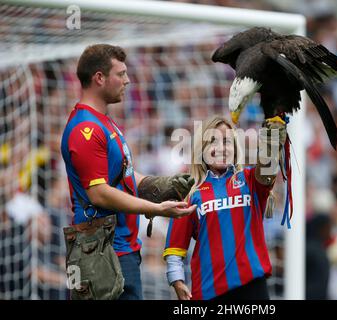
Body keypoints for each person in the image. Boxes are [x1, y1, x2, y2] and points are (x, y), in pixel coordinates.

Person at [60, 44, 196, 300]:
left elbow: (124, 178)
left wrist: (165, 185)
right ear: (99, 78)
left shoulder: (105, 122)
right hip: (102, 254)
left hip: (120, 250)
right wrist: (154, 209)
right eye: (121, 74)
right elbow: (99, 193)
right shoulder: (85, 130)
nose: (128, 80)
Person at [163, 115, 286, 300]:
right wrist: (177, 282)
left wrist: (272, 140)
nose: (221, 148)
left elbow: (267, 172)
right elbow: (175, 247)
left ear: (235, 149)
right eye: (213, 141)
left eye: (227, 142)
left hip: (252, 287)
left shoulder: (249, 179)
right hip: (208, 291)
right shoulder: (190, 192)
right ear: (201, 149)